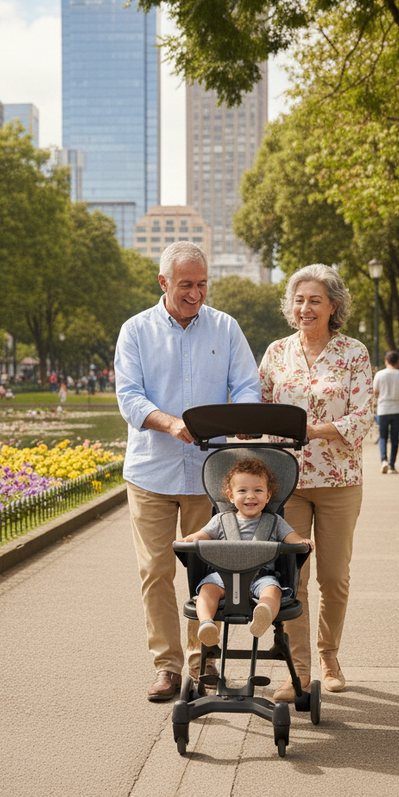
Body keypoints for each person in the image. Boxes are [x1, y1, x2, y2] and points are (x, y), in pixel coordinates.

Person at [115, 242, 261, 701]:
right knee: (156, 570)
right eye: (185, 285)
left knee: (210, 572)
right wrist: (170, 422)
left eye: (201, 284)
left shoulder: (226, 327)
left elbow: (246, 385)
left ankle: (207, 665)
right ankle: (167, 667)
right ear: (163, 282)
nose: (195, 294)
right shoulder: (135, 331)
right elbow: (130, 397)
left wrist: (241, 422)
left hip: (209, 472)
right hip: (151, 472)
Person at [259, 264, 372, 700]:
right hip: (286, 481)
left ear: (334, 306)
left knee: (334, 576)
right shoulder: (275, 352)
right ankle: (300, 671)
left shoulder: (353, 354)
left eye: (315, 300)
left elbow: (363, 417)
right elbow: (264, 408)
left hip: (339, 480)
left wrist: (312, 430)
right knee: (292, 576)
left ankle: (329, 655)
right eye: (299, 300)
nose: (305, 308)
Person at [182, 458, 314, 644]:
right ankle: (206, 624)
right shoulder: (220, 521)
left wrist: (302, 541)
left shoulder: (274, 522)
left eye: (257, 491)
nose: (250, 496)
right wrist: (186, 540)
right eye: (242, 491)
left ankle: (264, 613)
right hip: (223, 576)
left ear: (268, 496)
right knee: (207, 590)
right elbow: (200, 536)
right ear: (230, 496)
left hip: (261, 576)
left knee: (273, 591)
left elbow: (292, 539)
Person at [373, 350, 399, 474]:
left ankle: (384, 460)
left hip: (383, 408)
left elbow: (375, 392)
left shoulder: (379, 375)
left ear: (386, 361)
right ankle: (392, 466)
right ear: (398, 362)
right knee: (395, 438)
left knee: (383, 436)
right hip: (398, 408)